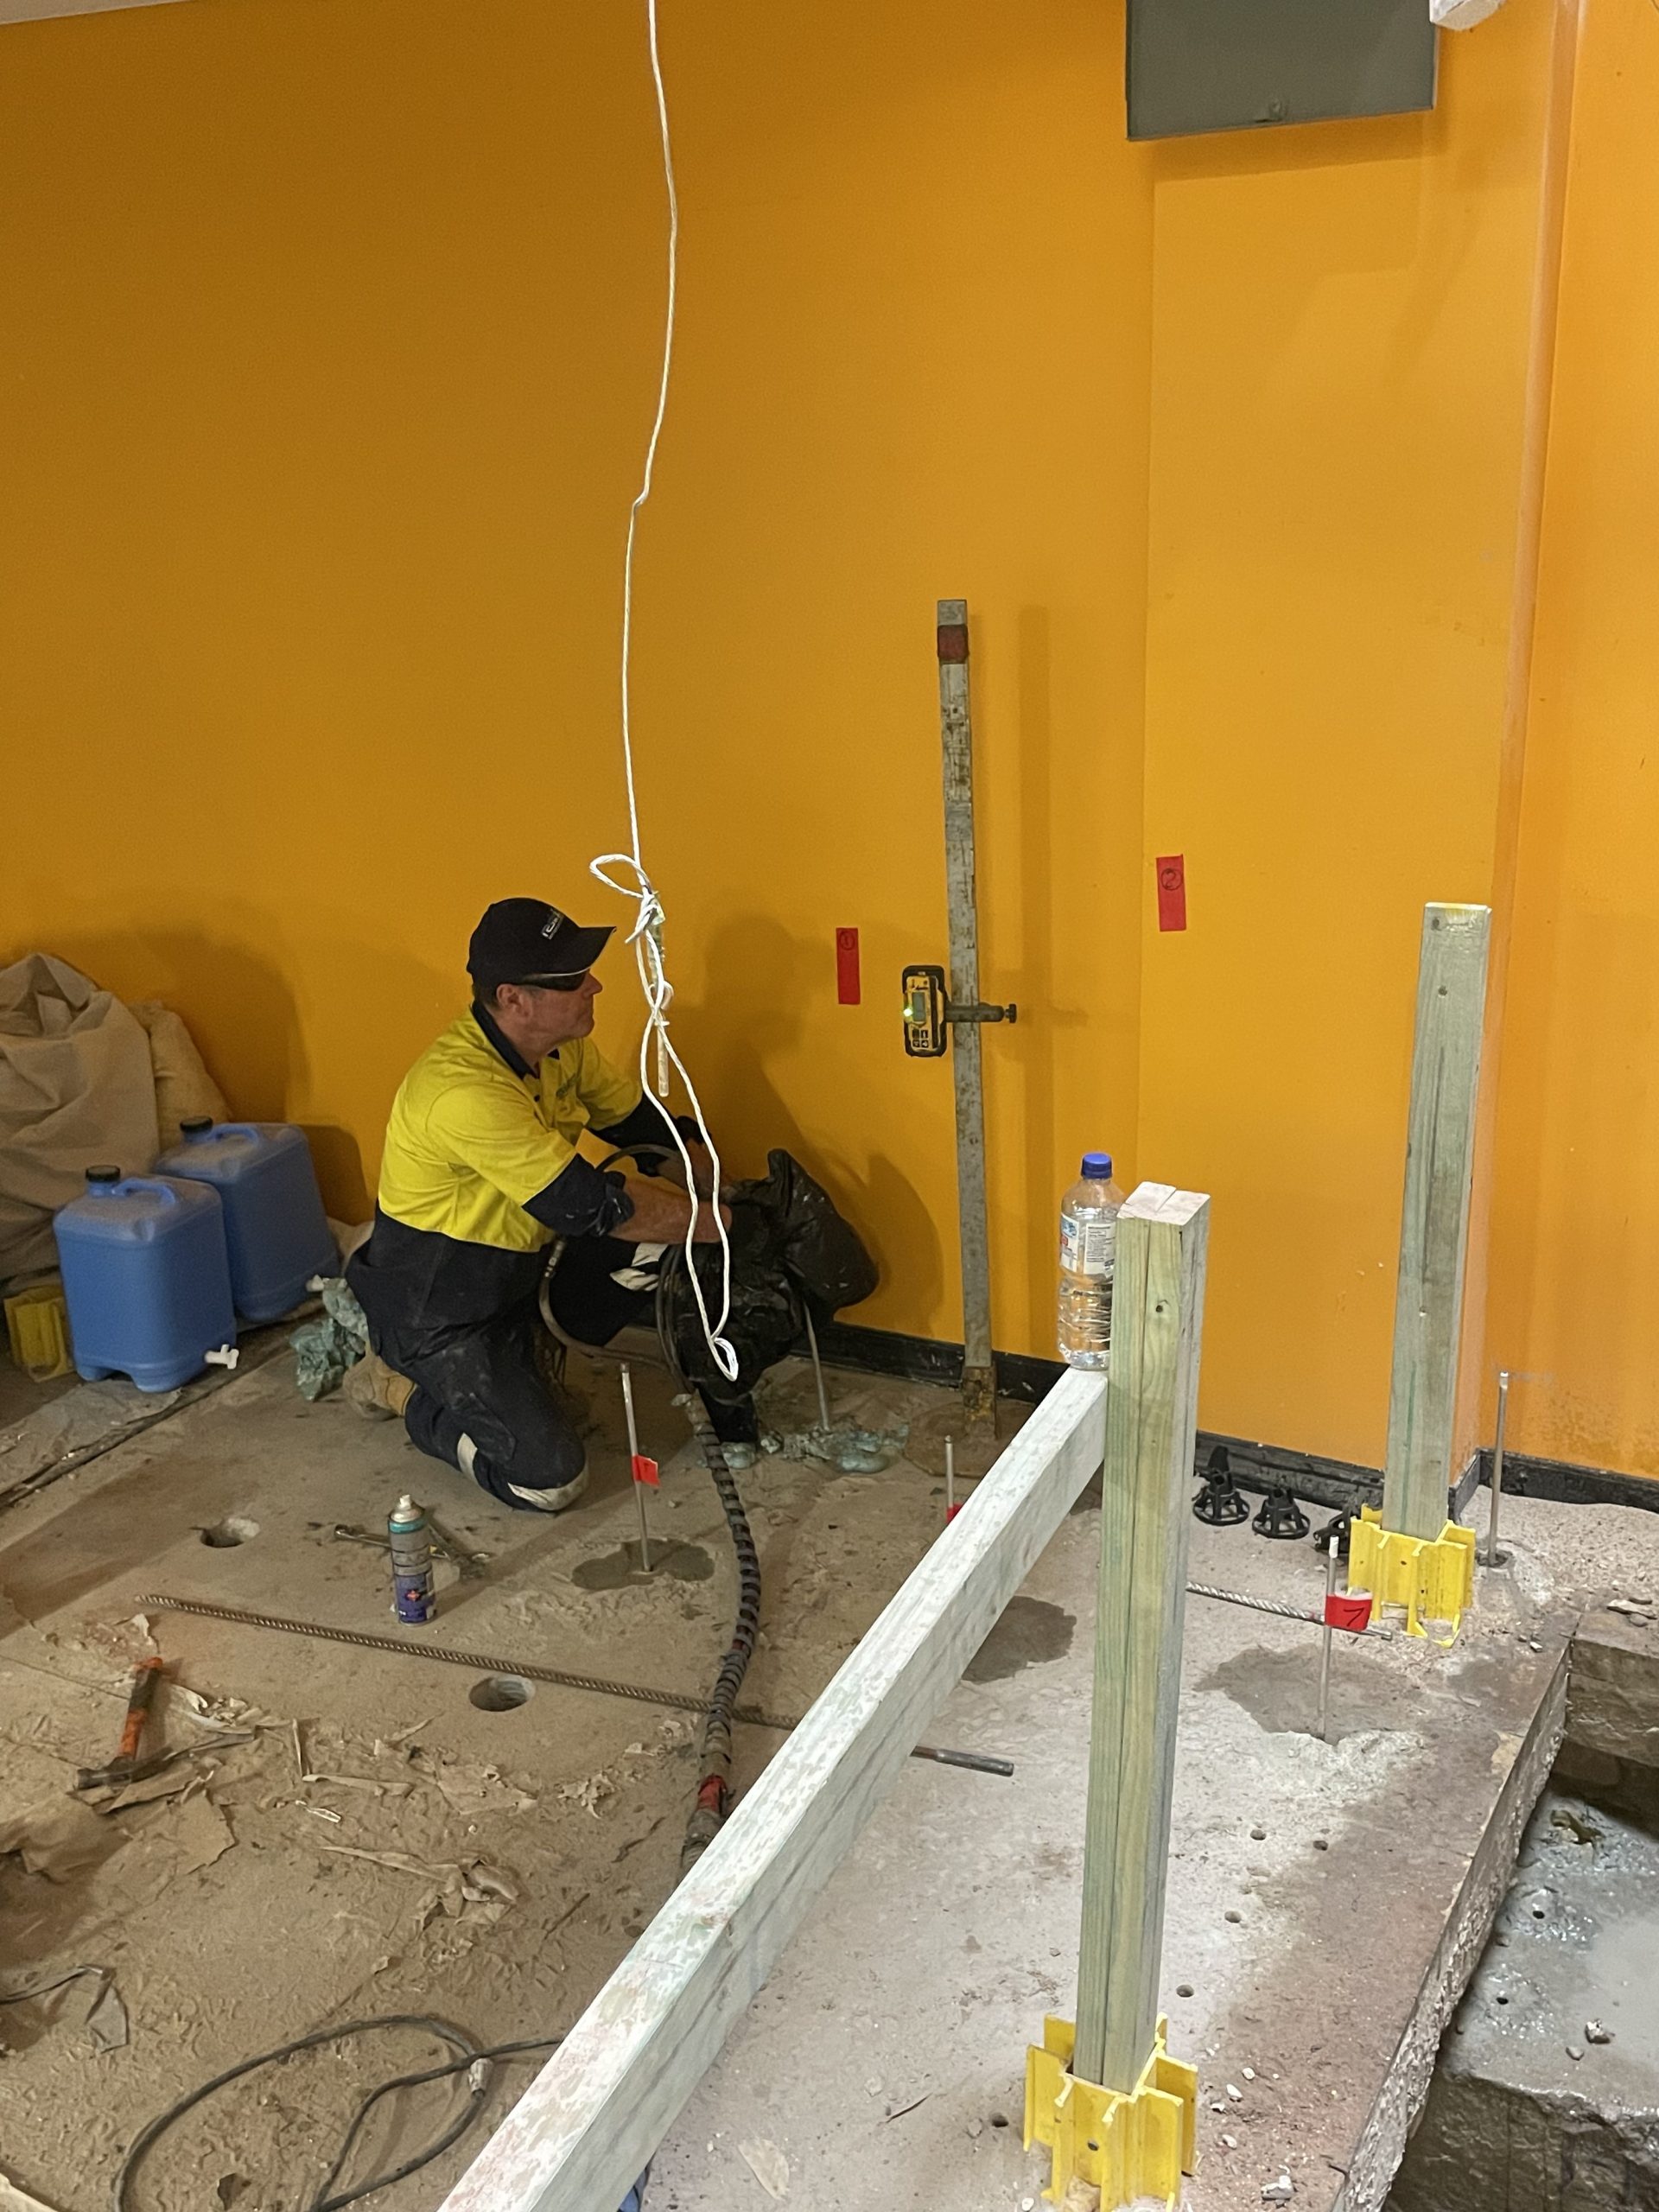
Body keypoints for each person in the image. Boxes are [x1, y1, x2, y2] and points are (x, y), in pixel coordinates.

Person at [346, 896, 746, 1512]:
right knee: (550, 1480)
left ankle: (525, 1360)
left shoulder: (559, 1046)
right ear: (514, 999)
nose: (595, 985)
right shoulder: (462, 1092)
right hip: (441, 1306)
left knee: (665, 1243)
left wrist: (719, 1185)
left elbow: (643, 1128)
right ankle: (402, 1389)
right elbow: (592, 1205)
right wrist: (722, 1225)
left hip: (519, 1269)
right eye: (573, 979)